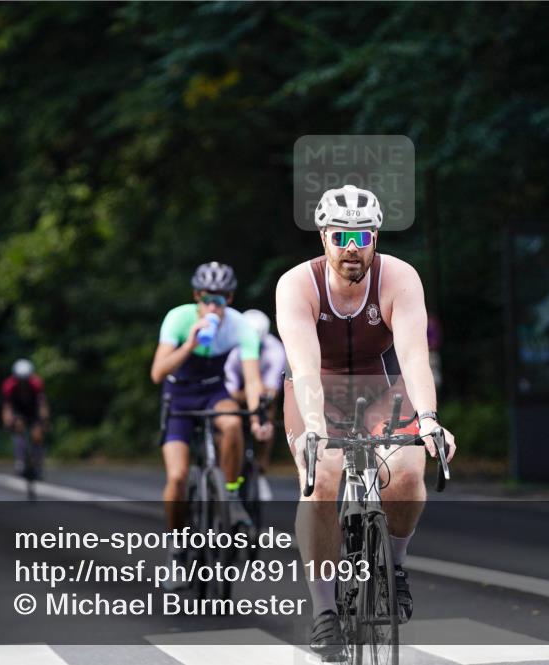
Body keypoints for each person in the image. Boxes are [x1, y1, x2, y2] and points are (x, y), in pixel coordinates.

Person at [275, 184, 456, 656]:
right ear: (323, 238)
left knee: (409, 469)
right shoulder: (297, 284)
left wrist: (430, 419)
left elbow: (415, 355)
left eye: (362, 237)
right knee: (324, 477)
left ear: (376, 236)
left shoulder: (400, 278)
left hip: (380, 387)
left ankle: (394, 566)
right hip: (316, 390)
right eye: (340, 238)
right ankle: (325, 613)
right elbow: (305, 365)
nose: (351, 248)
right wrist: (315, 429)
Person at [150, 262, 270, 577]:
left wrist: (258, 416)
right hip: (178, 395)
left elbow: (252, 380)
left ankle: (229, 493)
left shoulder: (240, 326)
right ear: (196, 296)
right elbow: (157, 372)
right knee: (176, 477)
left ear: (230, 298)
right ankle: (176, 550)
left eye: (219, 299)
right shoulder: (178, 318)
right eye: (206, 298)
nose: (212, 305)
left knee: (232, 424)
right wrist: (189, 343)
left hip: (213, 391)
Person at [224, 309, 286, 500]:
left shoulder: (275, 350)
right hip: (241, 388)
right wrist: (244, 395)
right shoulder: (232, 348)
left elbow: (271, 391)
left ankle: (261, 466)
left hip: (261, 390)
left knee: (268, 411)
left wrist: (254, 397)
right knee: (227, 414)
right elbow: (230, 390)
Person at [1, 359, 50, 478]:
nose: (23, 383)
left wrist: (44, 421)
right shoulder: (9, 386)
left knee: (37, 435)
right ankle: (20, 459)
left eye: (25, 380)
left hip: (33, 410)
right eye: (20, 380)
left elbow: (42, 404)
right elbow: (7, 407)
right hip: (18, 410)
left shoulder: (36, 384)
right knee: (18, 427)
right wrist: (8, 421)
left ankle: (38, 462)